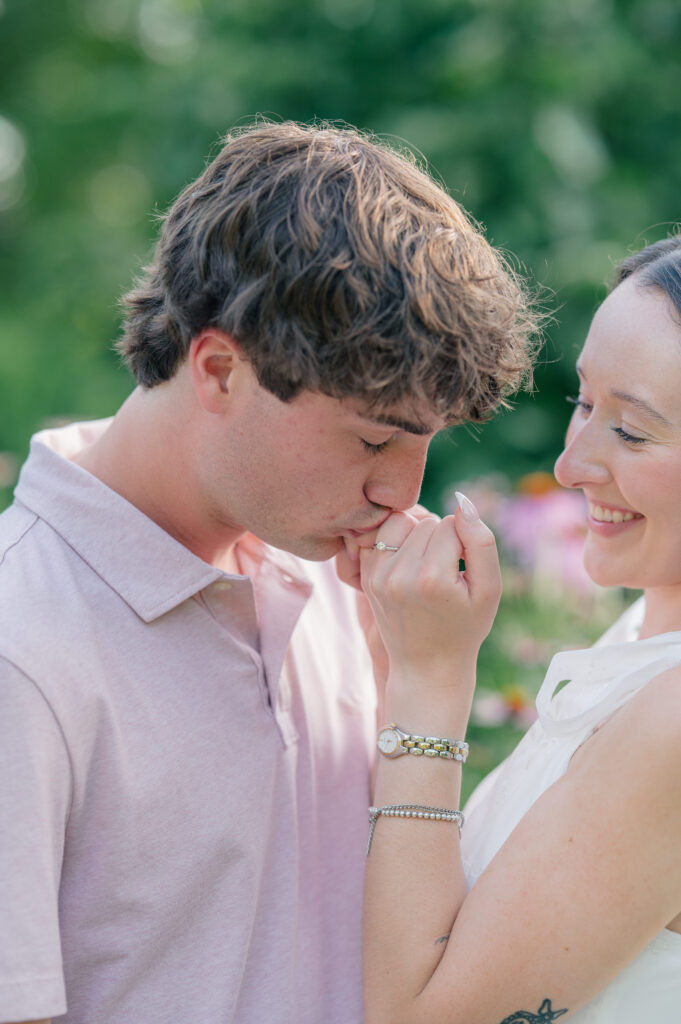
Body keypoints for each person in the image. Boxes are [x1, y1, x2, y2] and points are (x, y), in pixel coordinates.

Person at [0, 121, 535, 1024]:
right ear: (218, 368)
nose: (400, 493)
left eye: (425, 445)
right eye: (373, 437)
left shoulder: (340, 580)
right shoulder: (23, 648)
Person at [358, 234, 681, 1023]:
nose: (570, 464)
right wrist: (390, 650)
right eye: (582, 403)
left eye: (631, 432)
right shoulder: (640, 628)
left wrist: (434, 686)